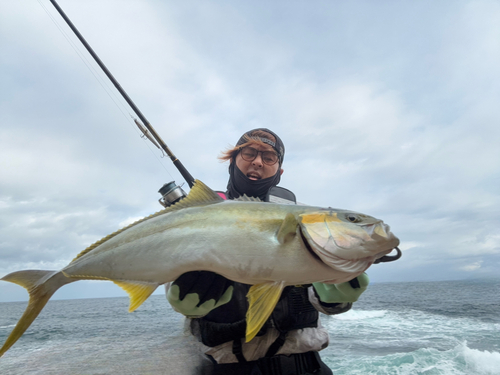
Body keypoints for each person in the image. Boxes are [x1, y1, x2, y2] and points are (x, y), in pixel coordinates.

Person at [166, 128, 369, 374]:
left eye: (269, 157)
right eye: (249, 153)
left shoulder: (307, 218)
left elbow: (327, 302)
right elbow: (174, 269)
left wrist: (336, 296)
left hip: (305, 367)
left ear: (280, 171)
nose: (258, 162)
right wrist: (182, 296)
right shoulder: (202, 216)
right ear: (233, 161)